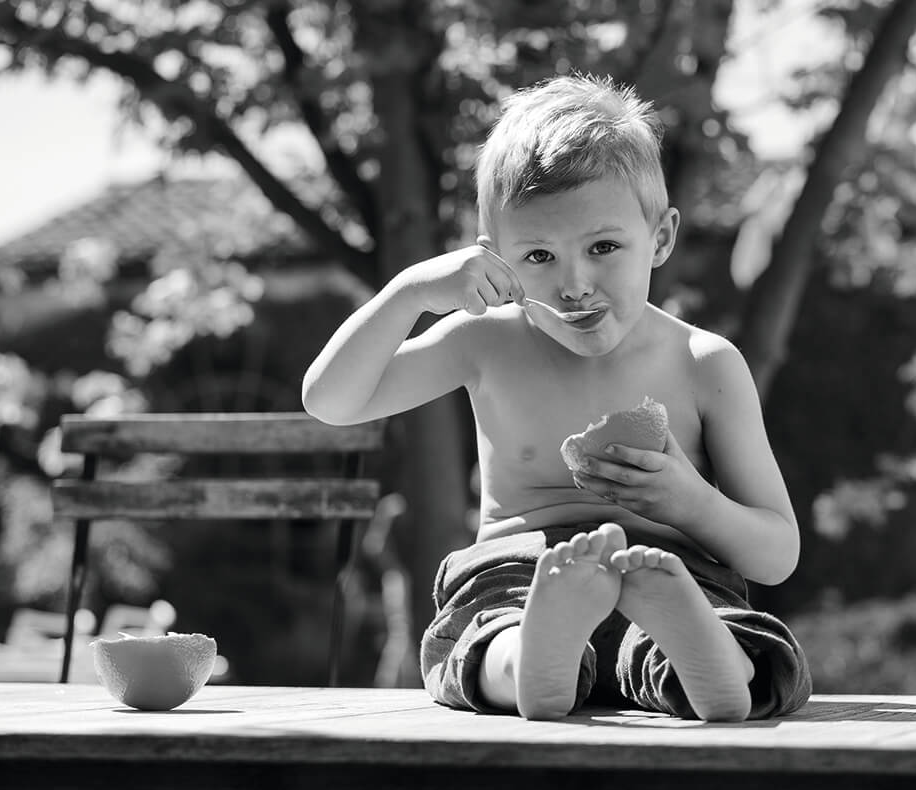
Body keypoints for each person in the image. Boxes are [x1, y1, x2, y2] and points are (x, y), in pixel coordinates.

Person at [302, 73, 811, 722]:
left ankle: (700, 666)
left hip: (671, 576)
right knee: (492, 635)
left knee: (715, 630)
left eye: (603, 247)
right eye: (538, 255)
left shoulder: (703, 364)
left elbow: (775, 553)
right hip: (520, 578)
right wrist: (409, 294)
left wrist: (693, 503)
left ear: (660, 238)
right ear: (493, 260)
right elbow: (330, 400)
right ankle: (536, 662)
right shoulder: (484, 342)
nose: (574, 284)